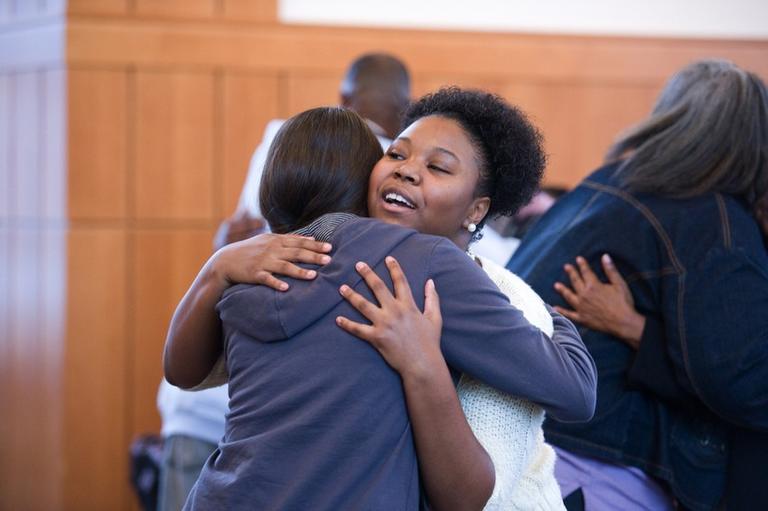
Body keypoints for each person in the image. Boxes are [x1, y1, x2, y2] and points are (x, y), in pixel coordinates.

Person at [164, 98, 596, 509]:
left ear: (477, 209)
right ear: (364, 175)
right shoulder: (427, 262)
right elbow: (575, 393)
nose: (407, 171)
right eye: (395, 155)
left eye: (438, 167)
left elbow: (183, 373)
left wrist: (216, 267)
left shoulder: (259, 266)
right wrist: (551, 314)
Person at [506, 60, 768, 510]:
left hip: (532, 434)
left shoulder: (606, 181)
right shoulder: (715, 221)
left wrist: (636, 329)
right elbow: (747, 384)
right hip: (598, 461)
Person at [155, 53, 410, 511]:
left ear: (345, 97)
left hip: (226, 457)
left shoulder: (247, 271)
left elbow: (179, 371)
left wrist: (221, 261)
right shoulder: (390, 243)